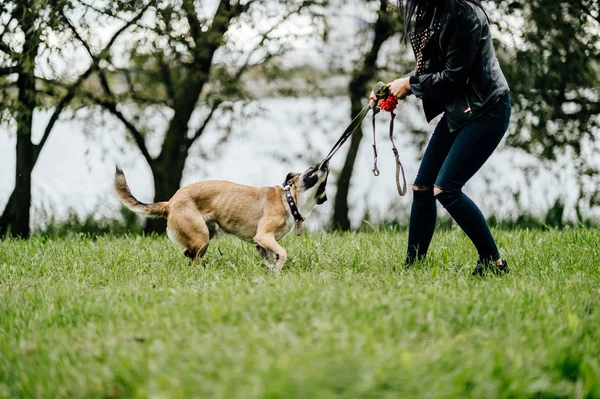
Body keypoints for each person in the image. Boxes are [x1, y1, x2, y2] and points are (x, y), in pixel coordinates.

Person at [370, 0, 511, 275]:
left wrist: (409, 84)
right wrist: (391, 88)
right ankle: (412, 267)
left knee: (446, 189)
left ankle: (495, 263)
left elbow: (453, 77)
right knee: (422, 188)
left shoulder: (465, 15)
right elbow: (430, 70)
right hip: (459, 112)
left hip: (487, 110)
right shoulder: (432, 12)